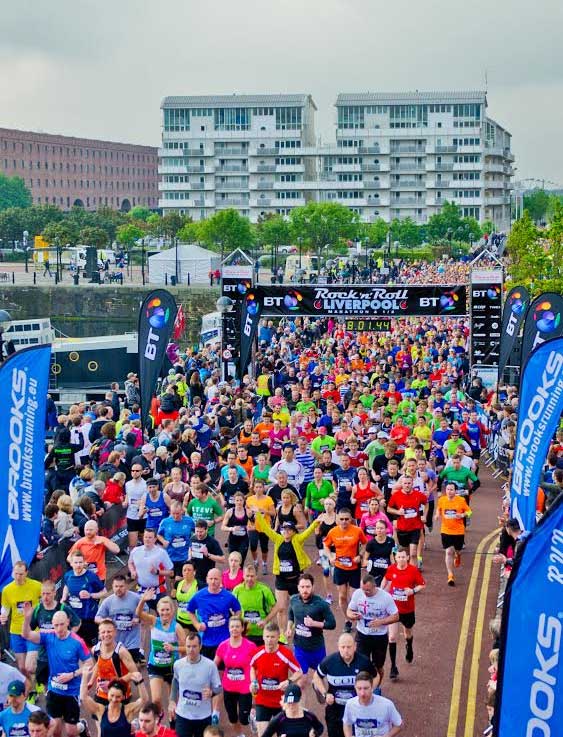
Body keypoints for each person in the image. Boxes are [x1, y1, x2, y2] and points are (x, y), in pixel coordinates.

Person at [21, 606, 92, 737]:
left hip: (72, 691)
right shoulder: (49, 637)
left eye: (61, 624)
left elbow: (89, 663)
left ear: (68, 623)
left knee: (71, 732)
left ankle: (81, 726)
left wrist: (72, 675)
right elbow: (26, 635)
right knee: (55, 731)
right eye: (56, 625)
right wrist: (26, 619)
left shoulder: (77, 641)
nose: (59, 629)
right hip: (54, 690)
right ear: (52, 625)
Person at [254, 514, 319, 636]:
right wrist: (258, 514)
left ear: (293, 531)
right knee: (281, 607)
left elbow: (308, 531)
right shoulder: (278, 539)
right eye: (284, 529)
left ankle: (296, 629)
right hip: (281, 579)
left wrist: (316, 522)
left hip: (296, 579)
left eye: (289, 529)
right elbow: (266, 529)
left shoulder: (297, 540)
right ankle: (282, 633)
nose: (286, 531)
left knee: (298, 606)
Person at [313, 634, 374, 737]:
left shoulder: (364, 662)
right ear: (338, 647)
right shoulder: (329, 661)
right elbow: (316, 676)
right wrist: (325, 694)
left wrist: (369, 691)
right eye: (343, 647)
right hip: (335, 709)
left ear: (355, 646)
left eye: (349, 647)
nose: (346, 650)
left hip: (357, 708)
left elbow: (375, 677)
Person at [135, 591, 186, 713]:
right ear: (158, 610)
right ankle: (158, 719)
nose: (165, 613)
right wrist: (143, 600)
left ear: (172, 611)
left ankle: (172, 724)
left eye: (167, 610)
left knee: (173, 702)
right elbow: (138, 613)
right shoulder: (154, 621)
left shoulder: (177, 627)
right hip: (155, 666)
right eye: (162, 610)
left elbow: (187, 648)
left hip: (171, 668)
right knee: (156, 700)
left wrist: (174, 648)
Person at [249, 623, 302, 737]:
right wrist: (253, 682)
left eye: (272, 637)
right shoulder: (257, 653)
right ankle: (255, 717)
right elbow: (252, 667)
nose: (269, 640)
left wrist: (289, 681)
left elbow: (299, 672)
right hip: (262, 701)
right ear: (263, 637)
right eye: (267, 637)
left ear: (278, 637)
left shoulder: (285, 654)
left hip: (281, 702)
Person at [346, 574, 399, 688]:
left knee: (378, 666)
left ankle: (375, 688)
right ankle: (361, 689)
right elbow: (349, 611)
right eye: (363, 589)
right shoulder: (357, 594)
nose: (365, 592)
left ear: (375, 586)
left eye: (368, 590)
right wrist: (353, 616)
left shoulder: (385, 597)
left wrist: (381, 622)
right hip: (362, 635)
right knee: (360, 665)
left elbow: (395, 616)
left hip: (379, 637)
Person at [30, 580, 81, 694]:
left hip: (61, 653)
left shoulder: (62, 608)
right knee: (45, 684)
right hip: (44, 654)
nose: (45, 597)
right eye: (43, 594)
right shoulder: (38, 609)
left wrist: (68, 638)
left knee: (61, 682)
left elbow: (77, 623)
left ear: (54, 593)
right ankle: (49, 700)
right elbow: (31, 629)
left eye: (48, 594)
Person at [382, 548, 426, 680]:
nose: (400, 559)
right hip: (393, 610)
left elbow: (422, 585)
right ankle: (393, 667)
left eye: (403, 557)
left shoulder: (413, 570)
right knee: (392, 637)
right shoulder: (391, 569)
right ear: (395, 558)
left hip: (407, 609)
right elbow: (386, 579)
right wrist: (380, 590)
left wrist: (412, 591)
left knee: (407, 632)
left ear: (407, 558)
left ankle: (409, 646)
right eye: (398, 557)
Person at [168, 632, 222, 737]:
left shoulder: (210, 666)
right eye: (188, 646)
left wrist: (212, 692)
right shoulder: (178, 664)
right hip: (183, 715)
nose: (191, 650)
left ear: (200, 647)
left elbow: (219, 688)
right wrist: (172, 700)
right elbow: (175, 681)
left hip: (203, 717)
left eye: (194, 646)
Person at [323, 510, 367, 630]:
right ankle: (348, 621)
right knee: (342, 597)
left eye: (346, 519)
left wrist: (361, 555)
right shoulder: (333, 531)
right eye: (341, 519)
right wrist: (330, 556)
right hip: (340, 568)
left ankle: (357, 618)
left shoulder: (357, 530)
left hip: (354, 568)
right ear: (338, 519)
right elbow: (325, 545)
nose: (344, 522)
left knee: (354, 596)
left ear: (351, 519)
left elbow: (365, 544)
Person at [0, 563, 41, 693]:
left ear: (26, 573)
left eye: (21, 574)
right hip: (16, 631)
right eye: (16, 573)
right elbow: (5, 608)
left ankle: (38, 679)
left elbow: (45, 600)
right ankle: (32, 688)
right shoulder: (7, 589)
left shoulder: (36, 586)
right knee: (22, 667)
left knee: (30, 666)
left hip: (32, 631)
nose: (18, 577)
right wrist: (3, 616)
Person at [214, 616, 258, 736]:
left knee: (244, 719)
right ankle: (240, 735)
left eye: (237, 626)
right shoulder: (223, 646)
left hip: (245, 688)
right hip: (228, 687)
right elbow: (214, 664)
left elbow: (256, 665)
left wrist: (255, 681)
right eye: (232, 626)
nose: (235, 629)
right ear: (228, 628)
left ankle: (253, 719)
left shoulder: (250, 646)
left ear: (242, 628)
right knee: (232, 717)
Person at [287, 574, 336, 681]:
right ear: (298, 587)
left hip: (316, 649)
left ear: (312, 587)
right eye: (302, 587)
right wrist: (289, 628)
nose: (305, 590)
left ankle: (322, 696)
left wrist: (314, 623)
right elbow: (291, 614)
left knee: (318, 681)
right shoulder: (294, 600)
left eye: (308, 587)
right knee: (301, 681)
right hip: (299, 648)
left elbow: (332, 624)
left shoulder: (321, 604)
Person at [187, 569, 241, 660]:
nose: (213, 582)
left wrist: (234, 624)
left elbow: (238, 610)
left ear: (220, 580)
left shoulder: (228, 596)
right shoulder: (199, 596)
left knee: (223, 669)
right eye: (211, 579)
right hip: (206, 641)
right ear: (207, 579)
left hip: (225, 640)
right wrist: (197, 624)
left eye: (216, 579)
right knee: (208, 669)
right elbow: (189, 610)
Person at [95, 575, 145, 663]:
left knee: (133, 667)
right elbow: (97, 618)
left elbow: (146, 614)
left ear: (126, 586)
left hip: (132, 642)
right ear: (112, 587)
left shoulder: (136, 598)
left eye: (121, 586)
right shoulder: (108, 601)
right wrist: (105, 621)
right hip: (115, 642)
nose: (118, 589)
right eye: (116, 586)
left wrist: (138, 620)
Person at [61, 550, 106, 646]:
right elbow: (66, 586)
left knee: (92, 648)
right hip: (73, 618)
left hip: (88, 618)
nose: (78, 565)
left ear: (84, 562)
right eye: (76, 562)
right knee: (75, 647)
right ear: (71, 563)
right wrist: (63, 598)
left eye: (80, 562)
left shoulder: (91, 576)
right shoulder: (68, 576)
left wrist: (91, 595)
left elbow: (104, 592)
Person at [90, 619, 140, 704]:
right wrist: (90, 682)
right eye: (103, 632)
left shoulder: (121, 652)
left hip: (119, 695)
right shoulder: (95, 649)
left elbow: (134, 673)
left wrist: (112, 684)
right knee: (99, 717)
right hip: (101, 694)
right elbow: (98, 665)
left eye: (109, 631)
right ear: (99, 634)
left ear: (115, 633)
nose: (106, 635)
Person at [80, 675, 148, 737]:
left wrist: (140, 682)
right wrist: (85, 676)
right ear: (108, 693)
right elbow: (84, 698)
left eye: (118, 697)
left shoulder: (128, 710)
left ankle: (135, 725)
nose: (114, 699)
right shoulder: (100, 710)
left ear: (123, 697)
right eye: (112, 695)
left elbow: (144, 700)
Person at [342, 671, 402, 737]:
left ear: (372, 688)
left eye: (366, 688)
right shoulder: (350, 704)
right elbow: (347, 724)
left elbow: (399, 725)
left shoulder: (387, 705)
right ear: (355, 688)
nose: (362, 693)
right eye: (359, 689)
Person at [434, 481, 472, 586]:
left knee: (457, 550)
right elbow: (439, 508)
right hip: (445, 530)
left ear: (455, 491)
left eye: (451, 490)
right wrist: (437, 515)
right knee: (449, 551)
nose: (449, 492)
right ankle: (450, 575)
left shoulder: (461, 500)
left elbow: (469, 512)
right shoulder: (442, 500)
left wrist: (463, 515)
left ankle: (458, 555)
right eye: (447, 489)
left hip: (459, 531)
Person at [386, 476, 428, 567]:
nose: (407, 485)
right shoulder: (396, 495)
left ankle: (413, 573)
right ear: (402, 484)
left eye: (409, 483)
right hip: (402, 528)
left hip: (415, 527)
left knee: (413, 553)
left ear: (412, 483)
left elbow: (426, 503)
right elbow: (388, 508)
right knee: (406, 553)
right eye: (405, 483)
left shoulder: (418, 495)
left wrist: (424, 515)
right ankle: (407, 569)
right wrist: (398, 512)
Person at [233, 564, 277, 646]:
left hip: (261, 633)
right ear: (243, 576)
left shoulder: (264, 590)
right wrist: (239, 621)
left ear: (256, 576)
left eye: (252, 576)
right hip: (244, 633)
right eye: (247, 576)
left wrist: (265, 620)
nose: (249, 579)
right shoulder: (237, 590)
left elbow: (276, 606)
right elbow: (232, 608)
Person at [128, 529, 173, 607]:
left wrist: (158, 572)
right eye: (145, 537)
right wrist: (132, 571)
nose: (147, 539)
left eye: (150, 537)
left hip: (159, 590)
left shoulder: (161, 553)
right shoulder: (135, 551)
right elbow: (130, 562)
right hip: (141, 590)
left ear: (155, 539)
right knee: (141, 615)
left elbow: (171, 572)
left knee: (161, 615)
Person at [157, 501, 195, 584]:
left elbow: (196, 532)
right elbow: (158, 535)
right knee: (172, 578)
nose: (175, 516)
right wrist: (163, 541)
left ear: (182, 511)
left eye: (177, 513)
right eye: (173, 513)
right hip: (171, 555)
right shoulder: (165, 522)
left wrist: (192, 543)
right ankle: (173, 593)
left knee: (182, 578)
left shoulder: (189, 521)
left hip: (184, 555)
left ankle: (183, 593)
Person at [188, 521, 226, 589]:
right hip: (195, 575)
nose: (199, 534)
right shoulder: (193, 539)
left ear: (206, 530)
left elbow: (222, 559)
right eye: (197, 531)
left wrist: (208, 554)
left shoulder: (212, 542)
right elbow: (189, 552)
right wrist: (190, 555)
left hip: (207, 575)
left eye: (201, 532)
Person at [363, 521, 395, 586]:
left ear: (386, 529)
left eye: (381, 528)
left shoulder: (391, 541)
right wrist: (368, 563)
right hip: (374, 574)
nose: (379, 530)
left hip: (386, 573)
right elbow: (365, 560)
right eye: (377, 528)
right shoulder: (371, 543)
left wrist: (394, 569)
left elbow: (392, 557)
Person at [125, 464, 148, 550]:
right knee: (132, 544)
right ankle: (132, 561)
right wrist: (125, 502)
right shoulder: (128, 484)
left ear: (141, 472)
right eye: (132, 471)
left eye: (137, 471)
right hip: (131, 515)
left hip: (143, 516)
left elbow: (148, 500)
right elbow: (127, 496)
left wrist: (142, 506)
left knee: (146, 542)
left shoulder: (145, 484)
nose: (134, 473)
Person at [175, 562, 199, 631]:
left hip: (193, 621)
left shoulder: (199, 585)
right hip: (180, 619)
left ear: (194, 572)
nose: (186, 572)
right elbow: (177, 599)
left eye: (189, 570)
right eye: (184, 570)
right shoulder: (178, 584)